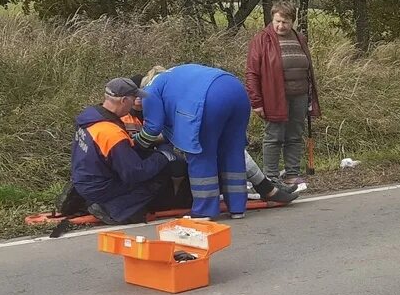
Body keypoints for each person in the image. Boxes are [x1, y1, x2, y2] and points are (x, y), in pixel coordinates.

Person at [122, 76, 297, 205]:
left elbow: (164, 132)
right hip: (160, 149)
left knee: (233, 151)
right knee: (218, 152)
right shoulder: (131, 110)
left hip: (174, 140)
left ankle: (262, 188)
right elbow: (157, 132)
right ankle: (259, 191)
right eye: (135, 97)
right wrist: (139, 143)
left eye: (140, 96)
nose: (138, 100)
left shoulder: (159, 100)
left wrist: (145, 140)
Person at [137, 64, 252, 218]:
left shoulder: (150, 89)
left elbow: (153, 126)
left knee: (202, 153)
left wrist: (138, 143)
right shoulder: (177, 75)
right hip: (236, 89)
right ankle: (238, 208)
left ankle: (205, 211)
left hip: (208, 98)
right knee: (232, 151)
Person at [70, 78, 178, 225]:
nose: (135, 103)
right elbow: (135, 173)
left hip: (84, 179)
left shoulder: (92, 118)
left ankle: (97, 201)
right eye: (133, 99)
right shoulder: (111, 133)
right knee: (156, 176)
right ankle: (113, 209)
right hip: (99, 187)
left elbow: (115, 152)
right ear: (124, 100)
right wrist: (163, 155)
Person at [246, 2, 320, 186]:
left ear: (292, 21)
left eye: (285, 22)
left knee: (294, 135)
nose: (281, 26)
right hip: (274, 96)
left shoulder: (300, 38)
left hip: (300, 95)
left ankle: (291, 174)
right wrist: (256, 102)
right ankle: (270, 177)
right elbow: (252, 73)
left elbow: (307, 69)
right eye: (277, 21)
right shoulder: (262, 39)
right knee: (274, 136)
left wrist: (310, 97)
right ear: (272, 19)